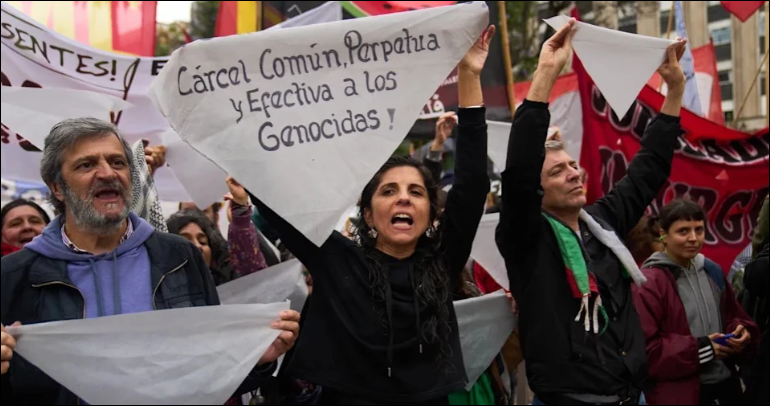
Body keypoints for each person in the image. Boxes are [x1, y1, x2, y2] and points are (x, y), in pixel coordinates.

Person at [245, 26, 495, 404]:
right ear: (368, 212)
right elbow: (274, 200)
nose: (404, 200)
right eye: (389, 191)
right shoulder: (336, 259)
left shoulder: (443, 260)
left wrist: (470, 77)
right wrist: (240, 126)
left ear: (430, 212)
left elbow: (473, 184)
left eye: (416, 192)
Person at [0, 117, 300, 404]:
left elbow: (208, 366)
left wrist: (254, 358)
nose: (107, 173)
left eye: (117, 162)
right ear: (56, 187)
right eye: (87, 164)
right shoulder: (13, 276)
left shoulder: (178, 256)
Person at [496, 19, 688, 405]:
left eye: (572, 166)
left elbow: (648, 169)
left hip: (632, 396)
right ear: (538, 189)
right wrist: (547, 73)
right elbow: (518, 172)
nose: (573, 174)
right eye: (557, 171)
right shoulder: (526, 238)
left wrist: (674, 91)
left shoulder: (602, 223)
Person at [634, 199, 760, 405]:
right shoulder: (649, 283)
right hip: (678, 394)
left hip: (725, 388)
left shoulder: (712, 270)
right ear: (663, 235)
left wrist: (740, 331)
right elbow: (646, 351)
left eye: (699, 230)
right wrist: (703, 348)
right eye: (683, 231)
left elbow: (733, 315)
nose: (693, 238)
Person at [167, 209, 235, 286]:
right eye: (185, 241)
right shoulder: (156, 293)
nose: (198, 246)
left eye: (202, 242)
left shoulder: (226, 287)